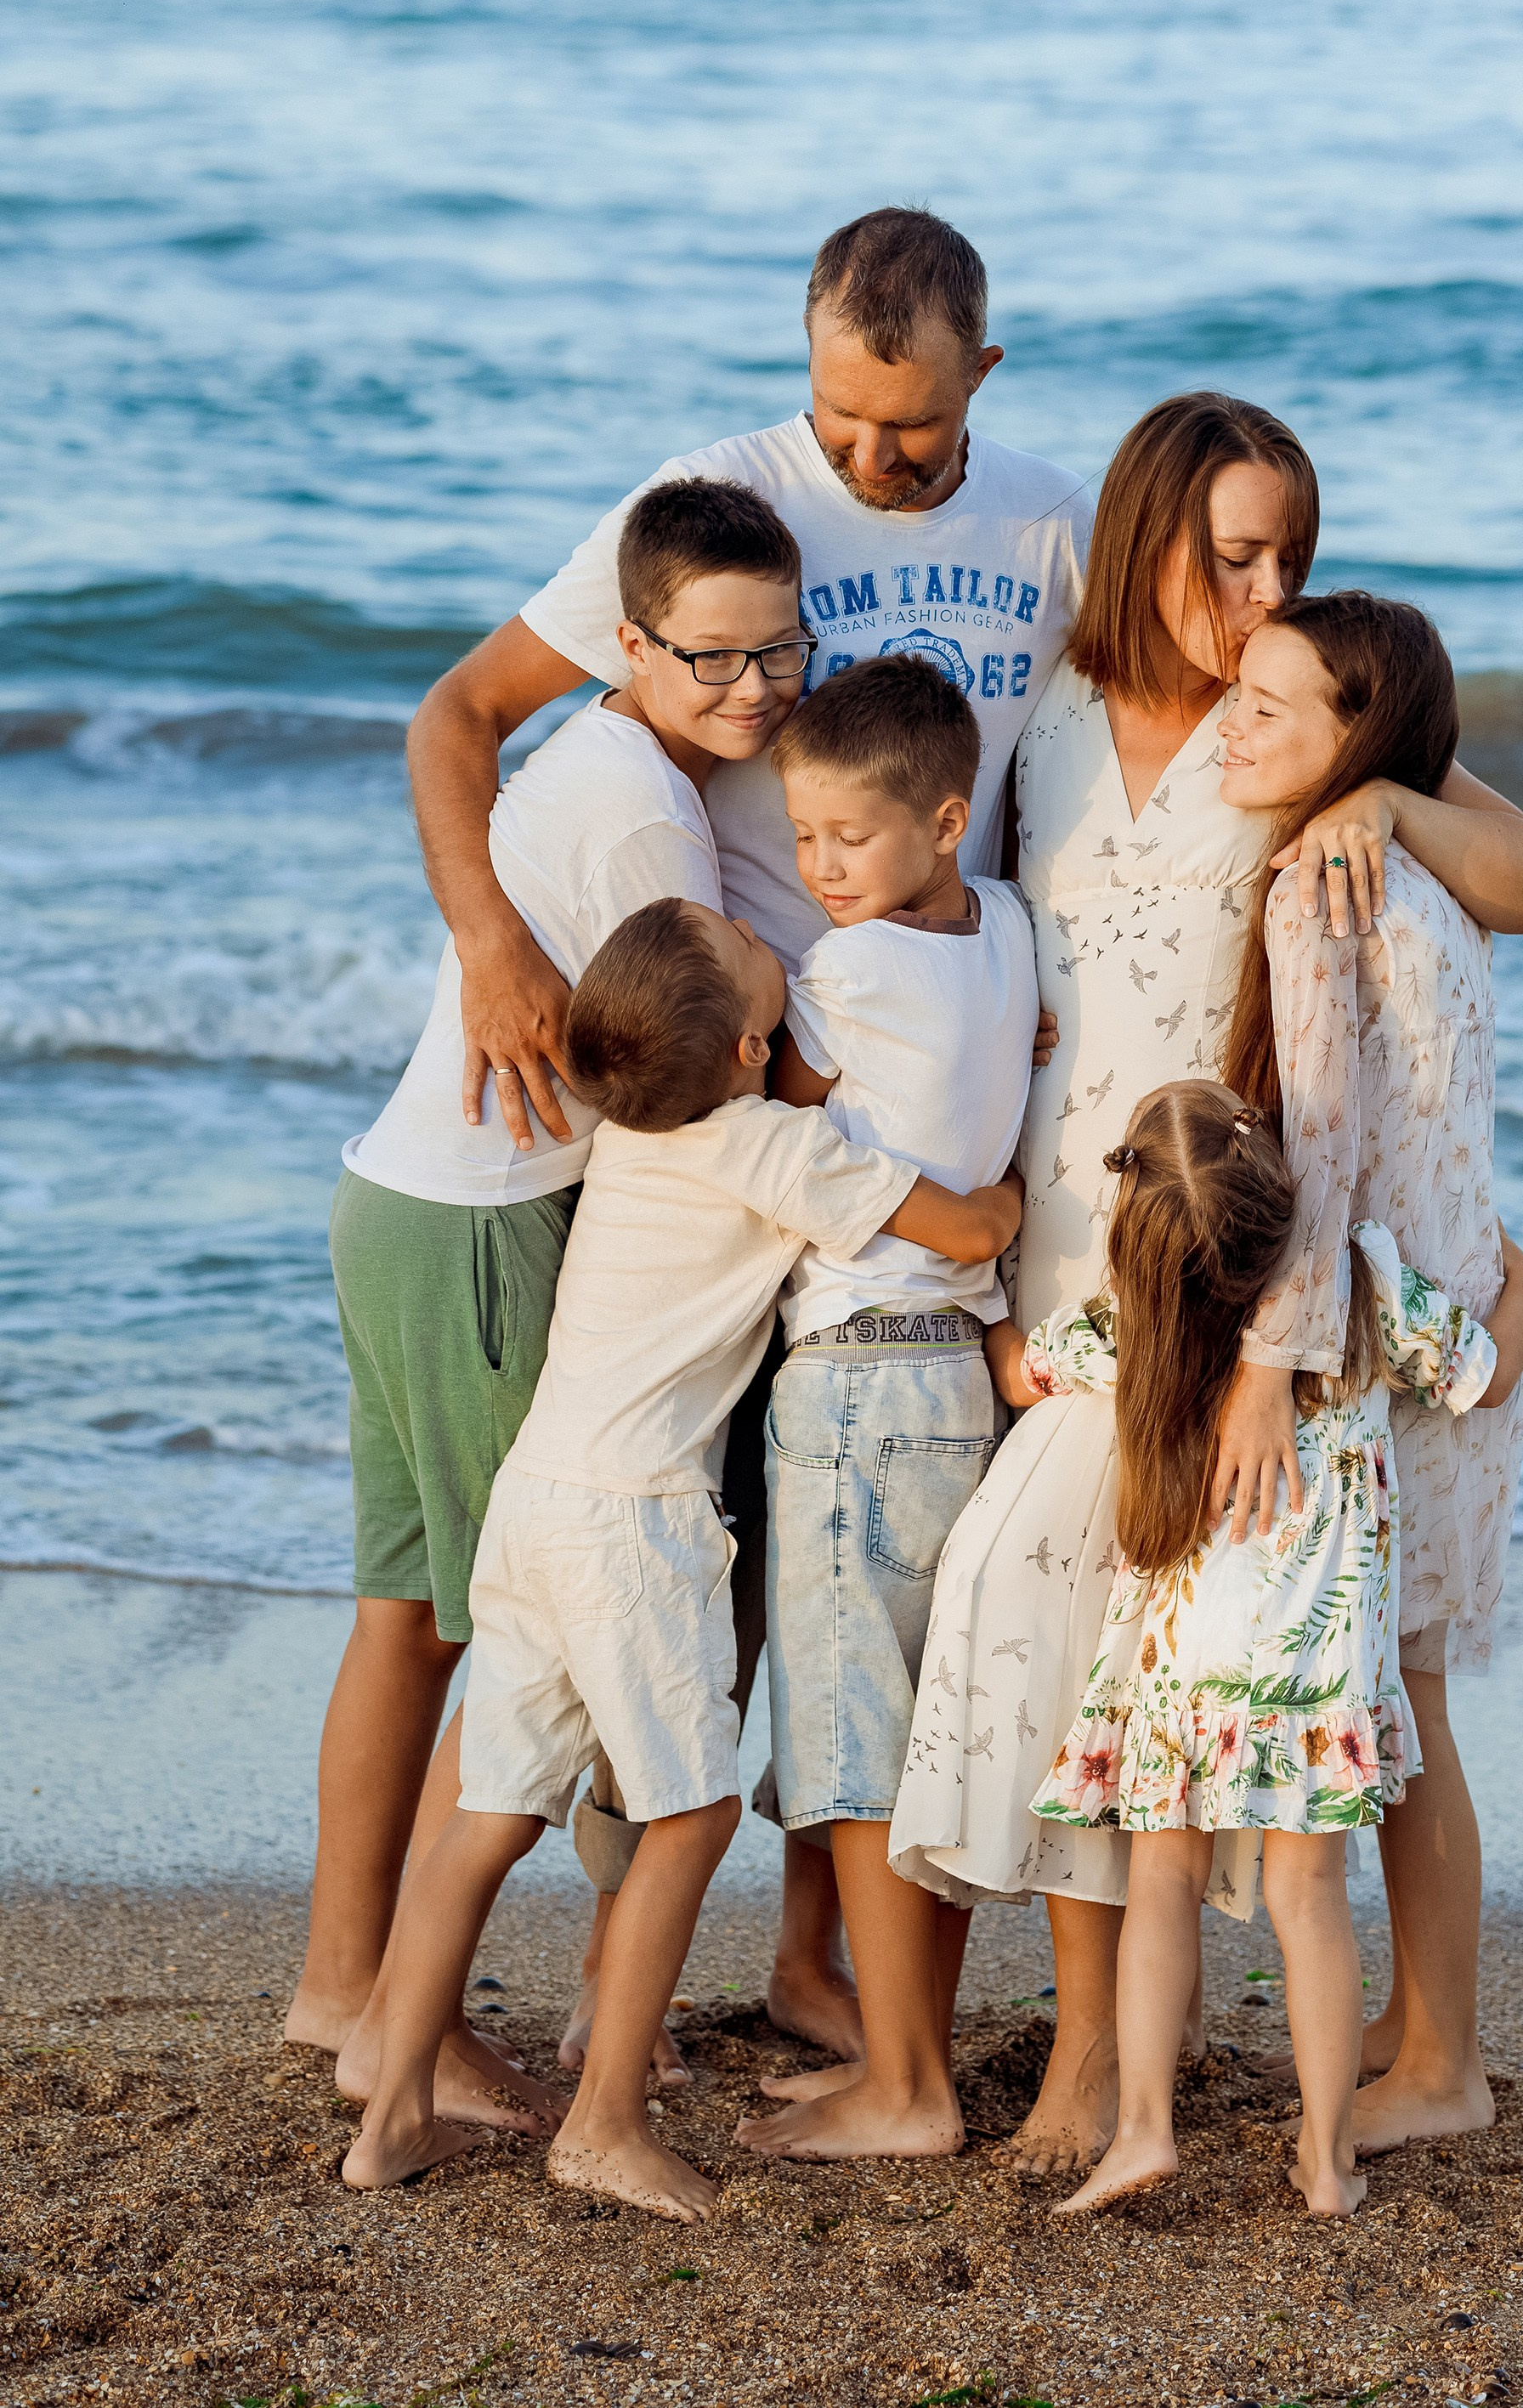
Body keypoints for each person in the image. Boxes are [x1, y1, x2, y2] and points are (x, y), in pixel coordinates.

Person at [403, 206, 1094, 2050]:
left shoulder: (1045, 516)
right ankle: (483, 1991)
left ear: (982, 379)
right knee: (692, 1556)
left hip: (919, 1080)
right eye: (843, 422)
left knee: (821, 1582)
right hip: (742, 1113)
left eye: (913, 435)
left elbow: (1137, 727)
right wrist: (487, 951)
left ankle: (801, 1964)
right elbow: (467, 715)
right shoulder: (715, 504)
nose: (873, 463)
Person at [888, 392, 1523, 2174]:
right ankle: (1101, 2057)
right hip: (1072, 1234)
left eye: (1288, 555)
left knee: (1262, 1646)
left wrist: (1399, 805)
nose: (1261, 586)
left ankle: (1360, 2051)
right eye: (1229, 552)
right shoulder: (1036, 722)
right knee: (1108, 1648)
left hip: (1238, 1261)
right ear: (1141, 539)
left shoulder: (1312, 733)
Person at [339, 896, 1025, 2204]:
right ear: (755, 1046)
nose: (765, 932)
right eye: (755, 956)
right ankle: (600, 2124)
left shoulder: (634, 1140)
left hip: (535, 1502)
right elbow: (975, 1232)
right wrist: (1021, 1132)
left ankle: (391, 2114)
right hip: (633, 1522)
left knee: (491, 1813)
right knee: (694, 1807)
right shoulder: (768, 1146)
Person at [286, 476, 807, 2120]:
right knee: (511, 1626)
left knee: (412, 1618)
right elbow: (724, 1059)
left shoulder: (587, 749)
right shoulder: (651, 817)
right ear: (628, 641)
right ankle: (405, 2029)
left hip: (401, 1204)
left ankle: (342, 1986)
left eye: (776, 656)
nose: (748, 692)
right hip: (488, 1233)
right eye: (708, 662)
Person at [1008, 1082, 1523, 2218]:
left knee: (1160, 1882)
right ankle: (1325, 2159)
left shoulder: (1134, 1324)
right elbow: (1483, 1371)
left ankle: (1143, 2130)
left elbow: (1030, 1370)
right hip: (1316, 1672)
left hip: (1175, 1666)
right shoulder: (1358, 1289)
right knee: (1309, 1899)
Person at [1221, 588, 1523, 2152]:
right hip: (1453, 1315)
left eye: (1277, 707)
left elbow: (1329, 1159)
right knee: (1411, 1700)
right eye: (1240, 692)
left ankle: (1443, 2066)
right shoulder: (1418, 869)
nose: (1235, 724)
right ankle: (1422, 2029)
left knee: (1397, 1710)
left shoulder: (1321, 883)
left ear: (1363, 739)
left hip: (1390, 1346)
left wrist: (1263, 1369)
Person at [726, 655, 1038, 2164]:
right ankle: (912, 2057)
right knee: (930, 1735)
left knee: (855, 1739)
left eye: (850, 839)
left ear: (942, 816)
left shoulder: (842, 973)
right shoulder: (1014, 930)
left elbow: (778, 1096)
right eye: (801, 840)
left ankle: (905, 2091)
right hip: (961, 1378)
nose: (819, 869)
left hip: (852, 1378)